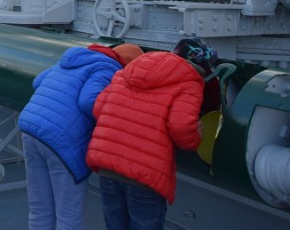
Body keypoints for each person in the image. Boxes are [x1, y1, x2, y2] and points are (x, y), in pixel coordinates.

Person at [86, 37, 218, 230]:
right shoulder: (190, 82)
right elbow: (181, 127)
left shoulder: (127, 71)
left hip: (107, 165)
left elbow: (99, 108)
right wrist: (195, 136)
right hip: (144, 174)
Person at [18, 43, 144, 230]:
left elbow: (37, 81)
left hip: (30, 127)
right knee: (68, 216)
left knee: (40, 208)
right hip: (61, 140)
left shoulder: (74, 58)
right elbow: (88, 101)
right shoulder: (109, 68)